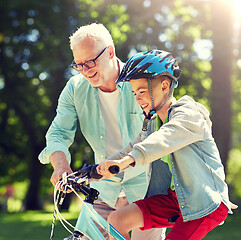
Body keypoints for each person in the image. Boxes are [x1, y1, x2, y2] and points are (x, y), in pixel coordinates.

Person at [39, 23, 165, 239]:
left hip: (145, 189)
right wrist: (61, 165)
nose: (86, 71)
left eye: (90, 62)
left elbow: (159, 137)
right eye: (79, 64)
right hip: (104, 189)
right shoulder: (75, 88)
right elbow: (58, 133)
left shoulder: (143, 83)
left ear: (110, 52)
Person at [97, 49, 233, 240]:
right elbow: (131, 147)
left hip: (204, 202)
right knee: (117, 219)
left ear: (164, 86)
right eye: (135, 92)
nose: (137, 98)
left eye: (142, 91)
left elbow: (163, 140)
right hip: (175, 199)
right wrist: (95, 171)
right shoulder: (153, 122)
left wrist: (128, 160)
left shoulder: (188, 115)